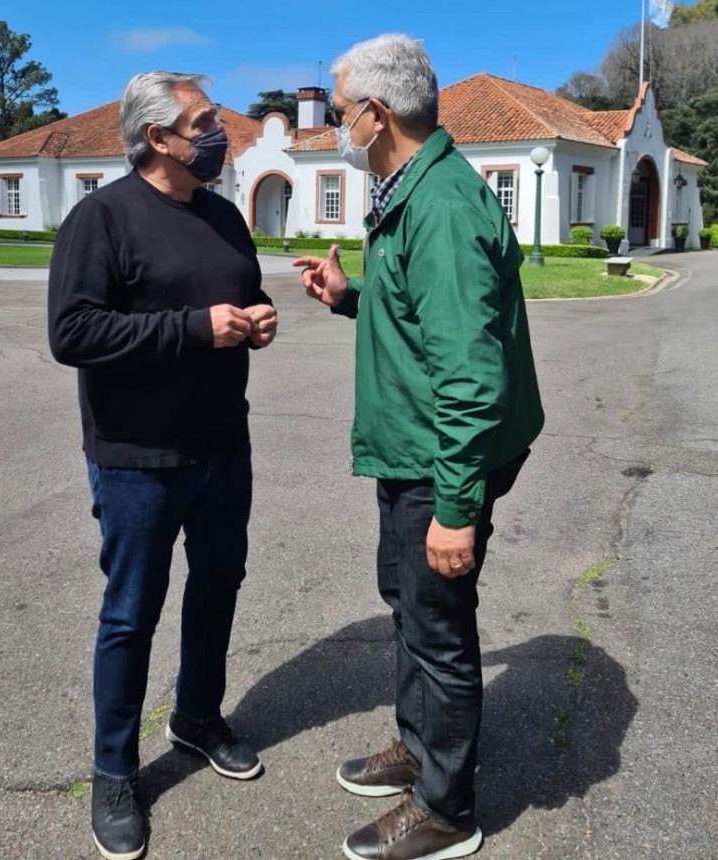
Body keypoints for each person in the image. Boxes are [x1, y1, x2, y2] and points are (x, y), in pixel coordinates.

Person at [294, 34, 544, 860]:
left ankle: (446, 809)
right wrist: (349, 298)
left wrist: (456, 510)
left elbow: (470, 376)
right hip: (415, 446)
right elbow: (419, 316)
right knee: (408, 605)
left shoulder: (436, 205)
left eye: (338, 113)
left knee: (436, 623)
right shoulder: (410, 188)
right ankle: (419, 746)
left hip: (440, 458)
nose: (335, 129)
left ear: (376, 113)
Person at [48, 71, 277, 860]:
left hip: (223, 446)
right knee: (131, 612)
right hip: (137, 458)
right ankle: (115, 769)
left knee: (218, 587)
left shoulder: (220, 216)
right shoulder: (100, 219)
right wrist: (193, 329)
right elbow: (73, 334)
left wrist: (257, 320)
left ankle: (197, 716)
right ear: (160, 139)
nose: (222, 133)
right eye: (206, 122)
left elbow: (237, 298)